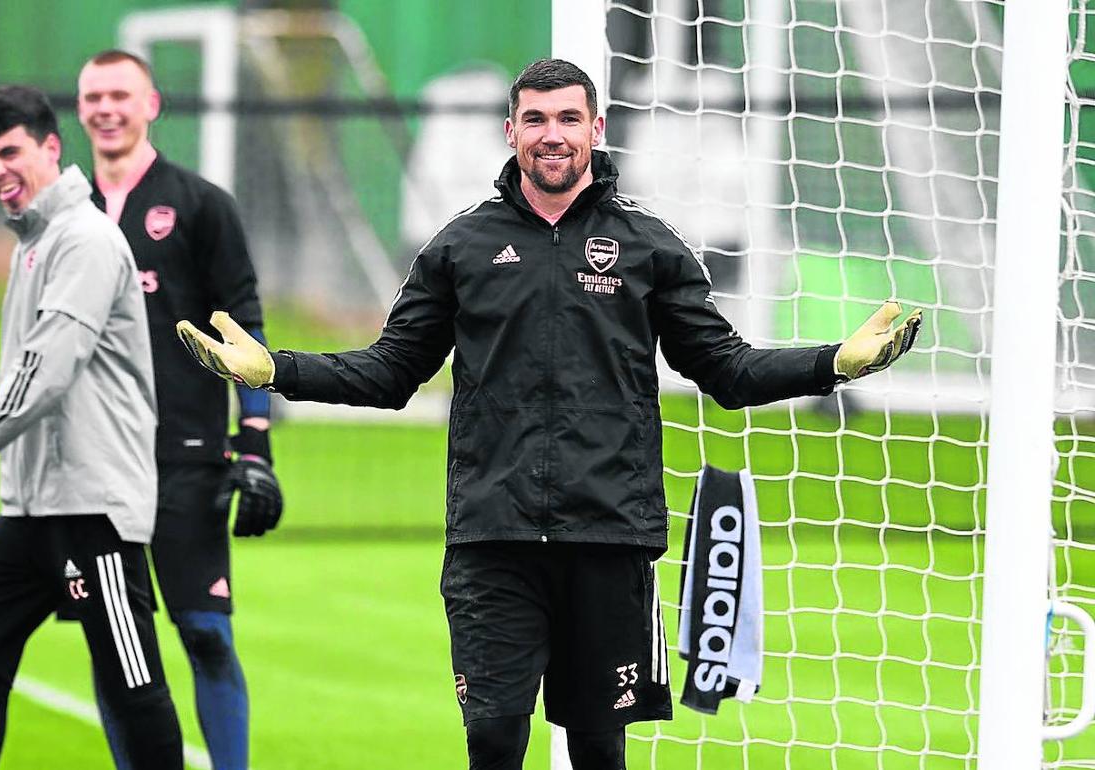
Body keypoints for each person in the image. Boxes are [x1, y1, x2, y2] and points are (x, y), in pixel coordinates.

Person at [176, 59, 922, 770]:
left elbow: (724, 367)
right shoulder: (461, 248)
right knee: (495, 739)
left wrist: (832, 364)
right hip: (492, 541)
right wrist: (278, 370)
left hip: (610, 537)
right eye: (535, 119)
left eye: (569, 117)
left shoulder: (648, 247)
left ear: (596, 128)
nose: (552, 133)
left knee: (600, 750)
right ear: (511, 132)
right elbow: (390, 371)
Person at [0, 85, 183, 769]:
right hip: (30, 512)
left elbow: (41, 377)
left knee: (133, 684)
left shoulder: (83, 240)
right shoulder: (34, 241)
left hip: (93, 508)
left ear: (51, 148)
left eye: (9, 153)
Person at [76, 49, 282, 770]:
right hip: (92, 470)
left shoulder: (199, 205)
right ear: (80, 110)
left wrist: (254, 441)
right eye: (93, 96)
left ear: (151, 105)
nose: (106, 108)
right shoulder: (67, 215)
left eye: (120, 95)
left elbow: (246, 327)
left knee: (205, 633)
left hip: (186, 459)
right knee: (117, 647)